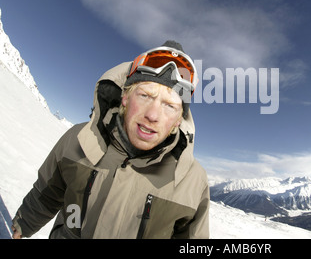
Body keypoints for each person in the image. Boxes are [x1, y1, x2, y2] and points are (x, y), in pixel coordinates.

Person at [11, 41, 209, 239]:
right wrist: (22, 225)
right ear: (125, 97)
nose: (153, 115)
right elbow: (47, 194)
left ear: (178, 120)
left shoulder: (192, 181)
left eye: (169, 106)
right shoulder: (80, 140)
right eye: (145, 96)